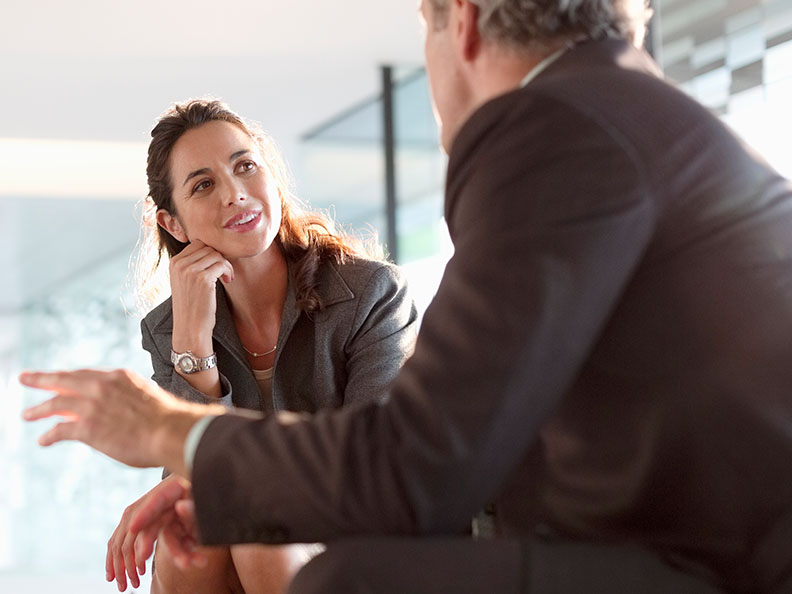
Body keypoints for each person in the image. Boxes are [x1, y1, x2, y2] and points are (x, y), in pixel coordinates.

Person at [21, 0, 792, 592]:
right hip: (690, 537)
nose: (234, 193)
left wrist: (168, 431)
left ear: (458, 21)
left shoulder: (555, 128)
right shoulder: (617, 109)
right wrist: (212, 466)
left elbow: (413, 466)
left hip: (717, 562)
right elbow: (476, 431)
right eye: (202, 184)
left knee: (339, 581)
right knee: (206, 539)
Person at [103, 98, 417, 594]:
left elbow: (371, 467)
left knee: (250, 522)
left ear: (270, 177)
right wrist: (192, 345)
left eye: (245, 166)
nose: (235, 194)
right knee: (196, 527)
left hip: (353, 543)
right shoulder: (167, 331)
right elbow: (186, 479)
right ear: (173, 225)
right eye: (203, 184)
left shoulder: (371, 295)